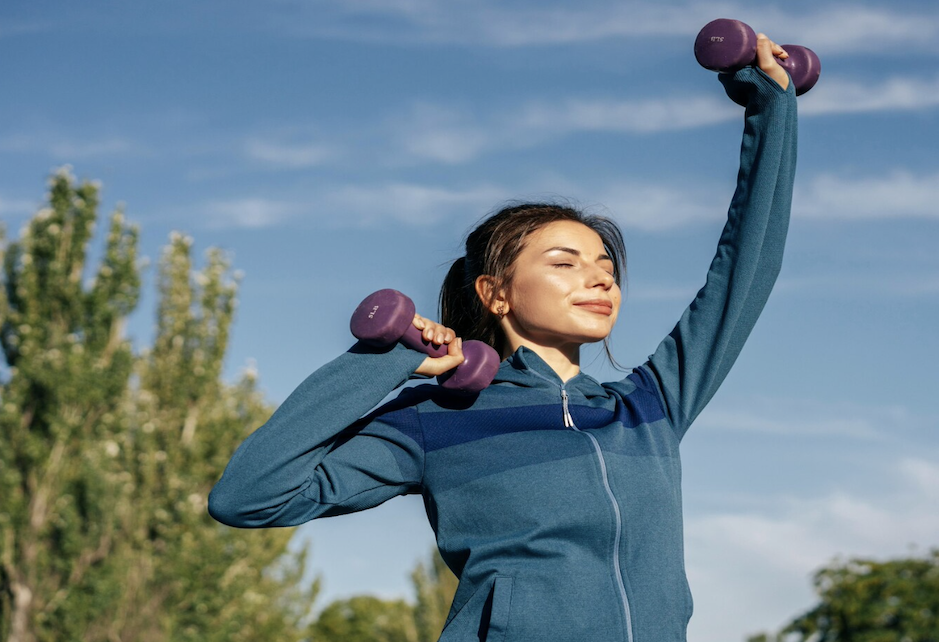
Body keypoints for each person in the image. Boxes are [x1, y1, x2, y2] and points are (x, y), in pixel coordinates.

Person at [209, 33, 798, 642]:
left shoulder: (649, 408)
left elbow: (746, 271)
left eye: (605, 267)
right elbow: (249, 498)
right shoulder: (438, 419)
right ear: (496, 293)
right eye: (565, 263)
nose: (599, 279)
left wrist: (771, 106)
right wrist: (383, 362)